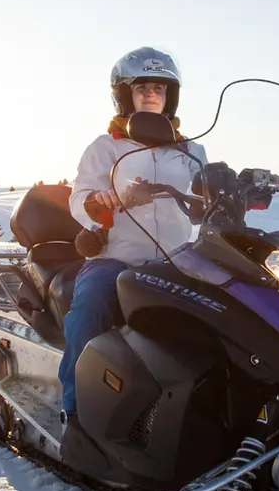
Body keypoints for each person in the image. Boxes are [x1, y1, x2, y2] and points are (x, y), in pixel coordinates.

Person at [59, 47, 207, 423]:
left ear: (170, 95)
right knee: (89, 309)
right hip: (117, 259)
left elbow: (209, 191)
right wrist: (98, 201)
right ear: (125, 94)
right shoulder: (106, 147)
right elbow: (80, 197)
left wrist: (241, 188)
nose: (150, 95)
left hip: (178, 262)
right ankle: (75, 412)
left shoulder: (191, 150)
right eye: (141, 88)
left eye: (159, 88)